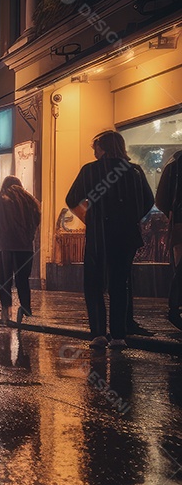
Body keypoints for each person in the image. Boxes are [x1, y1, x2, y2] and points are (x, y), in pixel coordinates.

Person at [66, 129, 154, 349]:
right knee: (120, 283)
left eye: (95, 146)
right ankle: (118, 335)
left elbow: (72, 199)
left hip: (99, 235)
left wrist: (89, 218)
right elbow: (148, 200)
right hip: (126, 236)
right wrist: (131, 218)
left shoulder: (90, 171)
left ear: (102, 147)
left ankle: (98, 333)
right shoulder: (134, 171)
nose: (94, 151)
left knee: (94, 283)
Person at [0, 176, 41, 326]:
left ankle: (7, 308)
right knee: (22, 279)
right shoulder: (30, 201)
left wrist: (2, 237)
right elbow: (36, 220)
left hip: (7, 246)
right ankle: (25, 308)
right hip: (26, 247)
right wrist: (28, 236)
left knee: (5, 279)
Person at [155, 150, 182, 331]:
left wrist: (172, 215)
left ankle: (175, 307)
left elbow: (161, 199)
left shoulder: (174, 164)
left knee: (180, 266)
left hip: (180, 222)